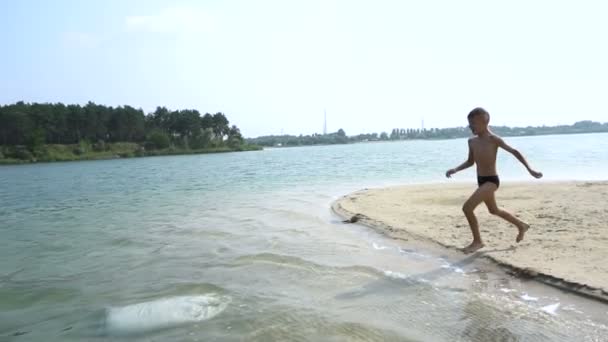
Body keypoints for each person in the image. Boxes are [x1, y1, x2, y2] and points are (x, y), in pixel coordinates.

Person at [445, 107, 543, 253]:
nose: (471, 127)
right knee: (494, 210)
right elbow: (471, 162)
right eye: (469, 123)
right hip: (481, 180)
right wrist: (456, 169)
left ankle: (478, 242)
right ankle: (521, 225)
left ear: (485, 122)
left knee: (467, 208)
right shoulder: (471, 142)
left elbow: (514, 152)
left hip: (492, 181)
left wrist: (530, 170)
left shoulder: (494, 140)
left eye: (474, 123)